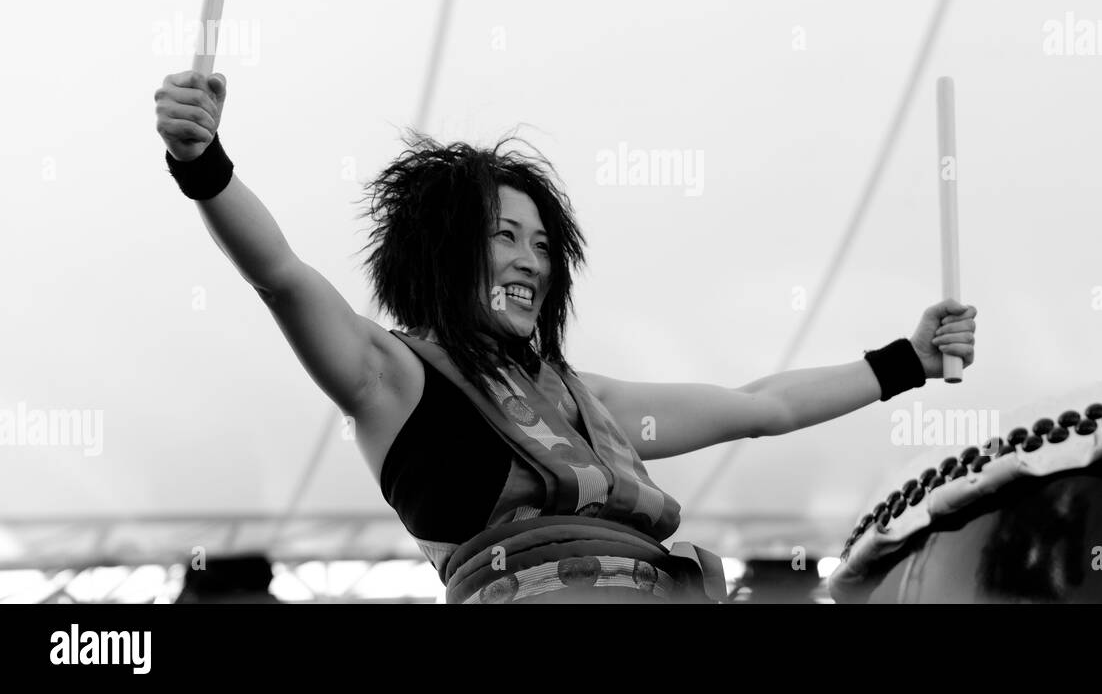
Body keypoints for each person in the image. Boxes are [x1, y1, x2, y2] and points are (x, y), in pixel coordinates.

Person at [154, 69, 977, 603]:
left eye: (545, 244)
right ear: (443, 251)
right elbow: (282, 274)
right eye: (506, 234)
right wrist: (203, 163)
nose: (531, 260)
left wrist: (907, 359)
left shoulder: (593, 402)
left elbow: (760, 406)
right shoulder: (391, 377)